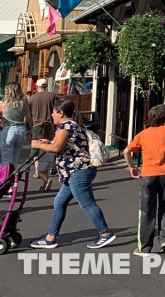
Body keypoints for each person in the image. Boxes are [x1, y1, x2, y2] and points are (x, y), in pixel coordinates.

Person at [29, 100, 117, 250]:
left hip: (78, 171)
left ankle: (105, 233)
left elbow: (56, 148)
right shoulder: (73, 124)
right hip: (77, 171)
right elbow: (66, 145)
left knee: (87, 203)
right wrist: (49, 141)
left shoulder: (65, 126)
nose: (52, 115)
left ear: (61, 113)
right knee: (59, 202)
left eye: (54, 112)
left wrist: (38, 144)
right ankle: (51, 237)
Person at [123, 104, 165, 255]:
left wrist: (132, 167)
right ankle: (164, 239)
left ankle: (145, 247)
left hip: (148, 175)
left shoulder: (143, 134)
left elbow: (127, 151)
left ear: (149, 118)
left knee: (147, 210)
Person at [27, 79, 60, 191]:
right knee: (50, 147)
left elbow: (28, 115)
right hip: (50, 125)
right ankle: (51, 170)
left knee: (37, 148)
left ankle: (38, 171)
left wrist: (28, 127)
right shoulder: (53, 96)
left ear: (37, 86)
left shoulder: (32, 98)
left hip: (37, 125)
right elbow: (58, 109)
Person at [0, 82, 32, 167]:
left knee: (6, 159)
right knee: (15, 158)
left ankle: (6, 178)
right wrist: (30, 129)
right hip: (21, 129)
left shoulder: (2, 105)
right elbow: (29, 118)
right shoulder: (24, 102)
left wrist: (2, 129)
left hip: (9, 128)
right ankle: (13, 177)